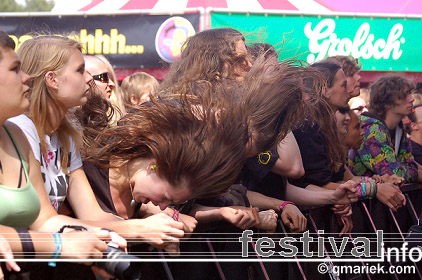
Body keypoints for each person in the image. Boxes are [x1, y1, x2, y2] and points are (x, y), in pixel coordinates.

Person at [8, 35, 187, 256]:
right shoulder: (23, 129)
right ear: (52, 79)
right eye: (80, 70)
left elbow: (93, 214)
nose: (89, 79)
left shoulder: (67, 135)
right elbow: (43, 222)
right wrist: (136, 229)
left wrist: (148, 227)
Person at [348, 75, 418, 183]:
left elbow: (410, 164)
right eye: (404, 95)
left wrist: (410, 170)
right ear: (388, 103)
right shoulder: (372, 130)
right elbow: (394, 173)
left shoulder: (399, 127)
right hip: (365, 198)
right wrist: (412, 171)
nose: (411, 99)